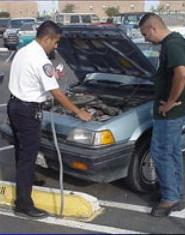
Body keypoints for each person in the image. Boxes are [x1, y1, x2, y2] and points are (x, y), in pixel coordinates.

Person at [7, 20, 92, 218]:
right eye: (55, 42)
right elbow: (58, 94)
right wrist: (78, 112)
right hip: (28, 111)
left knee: (22, 152)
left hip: (16, 105)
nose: (56, 46)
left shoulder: (24, 50)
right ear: (47, 38)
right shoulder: (40, 59)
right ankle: (24, 204)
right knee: (28, 155)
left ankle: (26, 182)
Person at [139, 13, 185, 217]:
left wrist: (170, 102)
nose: (145, 38)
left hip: (170, 112)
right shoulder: (176, 42)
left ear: (153, 28)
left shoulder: (173, 45)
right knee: (172, 151)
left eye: (145, 34)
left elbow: (182, 73)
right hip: (176, 111)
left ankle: (169, 198)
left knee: (161, 152)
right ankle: (174, 192)